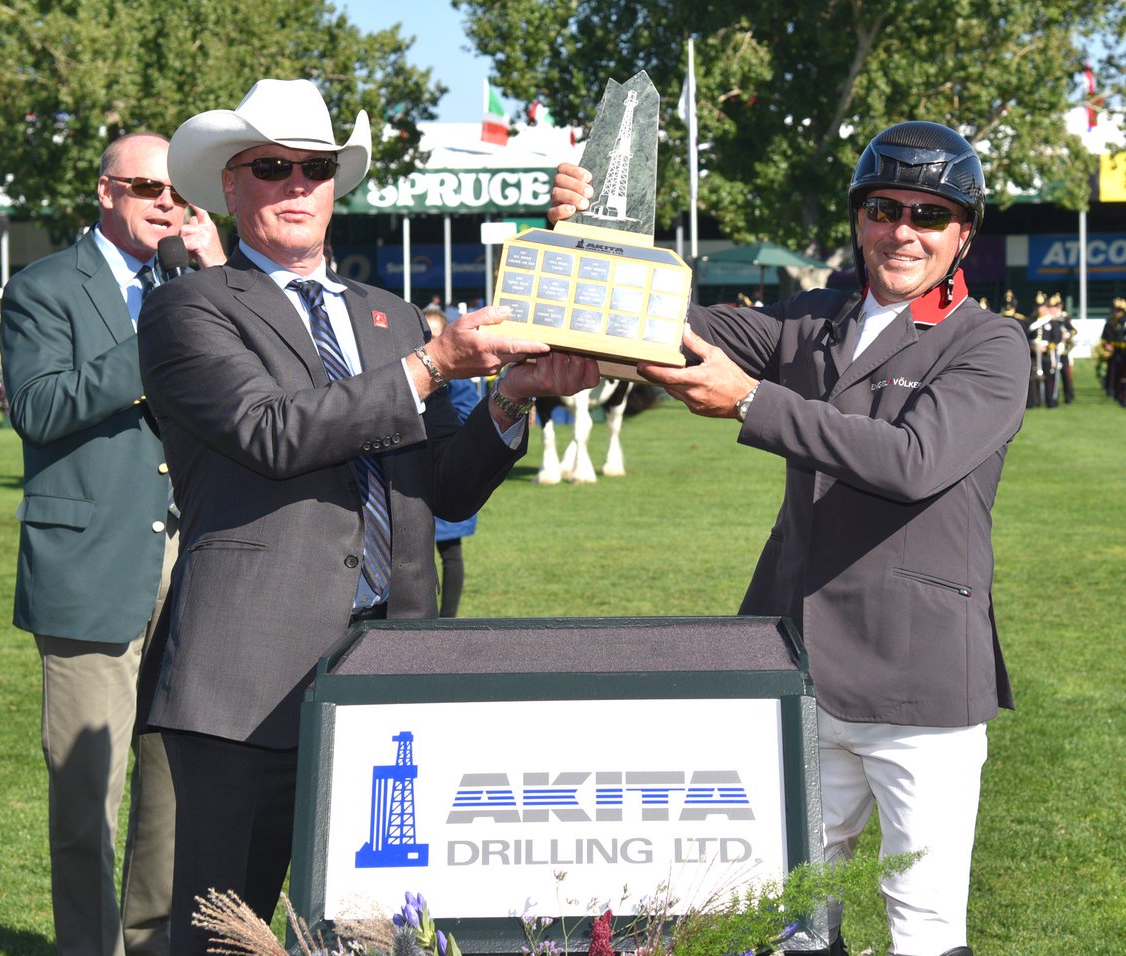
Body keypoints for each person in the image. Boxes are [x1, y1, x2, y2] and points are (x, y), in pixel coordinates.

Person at [135, 78, 599, 954]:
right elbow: (271, 432)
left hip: (392, 671)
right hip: (246, 678)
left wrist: (512, 398)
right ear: (228, 186)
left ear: (336, 185)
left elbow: (443, 490)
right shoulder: (189, 306)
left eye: (316, 167)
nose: (297, 184)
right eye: (271, 167)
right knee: (223, 933)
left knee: (382, 931)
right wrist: (432, 366)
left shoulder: (387, 317)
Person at [552, 121, 1028, 956]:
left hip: (917, 682)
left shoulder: (991, 343)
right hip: (797, 666)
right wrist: (595, 243)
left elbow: (912, 462)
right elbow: (663, 324)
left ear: (964, 234)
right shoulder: (810, 321)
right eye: (884, 209)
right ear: (859, 217)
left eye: (930, 214)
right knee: (790, 921)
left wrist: (749, 401)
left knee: (923, 925)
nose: (904, 231)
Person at [0, 131, 226, 956]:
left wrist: (217, 280)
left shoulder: (198, 285)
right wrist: (154, 346)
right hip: (90, 566)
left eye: (180, 195)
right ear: (106, 191)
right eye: (148, 190)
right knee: (86, 801)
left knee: (173, 793)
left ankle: (152, 943)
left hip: (197, 562)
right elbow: (39, 408)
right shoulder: (44, 287)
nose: (167, 206)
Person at [424, 302, 482, 616]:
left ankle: (447, 620)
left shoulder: (458, 375)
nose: (430, 341)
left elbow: (469, 416)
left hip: (443, 470)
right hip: (413, 477)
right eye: (424, 335)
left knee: (450, 552)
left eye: (435, 334)